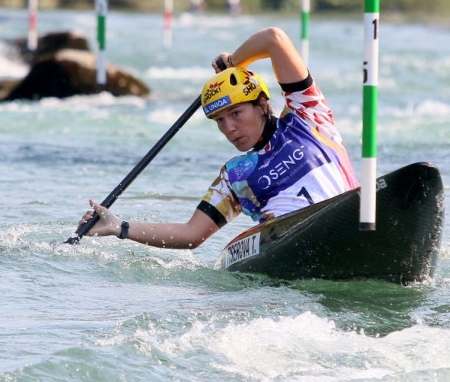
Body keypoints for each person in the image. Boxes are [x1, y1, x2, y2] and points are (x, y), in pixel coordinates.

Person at [78, 27, 359, 249]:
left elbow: (275, 39)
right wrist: (119, 227)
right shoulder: (235, 175)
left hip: (348, 219)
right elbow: (191, 234)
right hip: (289, 243)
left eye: (236, 114)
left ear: (262, 105)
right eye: (219, 121)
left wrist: (234, 61)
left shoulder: (309, 115)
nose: (229, 128)